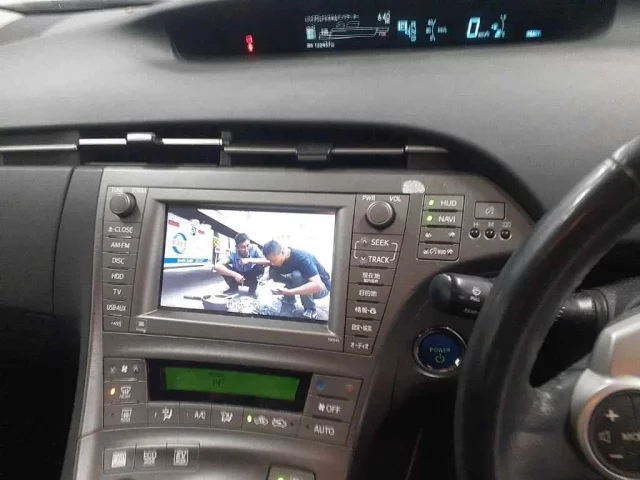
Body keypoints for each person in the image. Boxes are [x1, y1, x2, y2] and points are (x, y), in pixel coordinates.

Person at [262, 240, 331, 320]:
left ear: (282, 252)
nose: (272, 263)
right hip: (306, 282)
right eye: (270, 261)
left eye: (274, 261)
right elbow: (270, 266)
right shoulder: (280, 256)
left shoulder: (301, 258)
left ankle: (310, 309)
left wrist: (290, 292)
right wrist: (264, 278)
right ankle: (289, 299)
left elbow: (318, 286)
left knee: (296, 275)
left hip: (321, 288)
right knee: (273, 272)